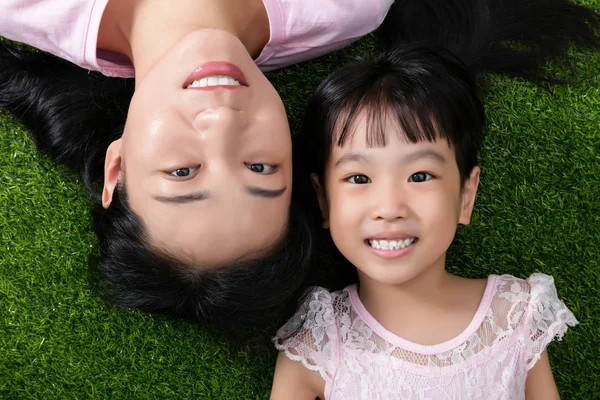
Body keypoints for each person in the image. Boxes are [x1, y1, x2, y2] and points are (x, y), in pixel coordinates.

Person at [0, 0, 394, 333]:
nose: (222, 122)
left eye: (182, 172)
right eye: (259, 167)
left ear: (116, 167)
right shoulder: (349, 8)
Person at [270, 0, 589, 397]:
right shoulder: (318, 342)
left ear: (466, 195)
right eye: (358, 177)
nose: (389, 207)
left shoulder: (515, 317)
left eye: (420, 175)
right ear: (323, 201)